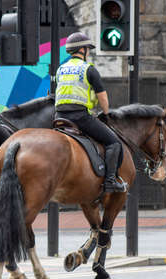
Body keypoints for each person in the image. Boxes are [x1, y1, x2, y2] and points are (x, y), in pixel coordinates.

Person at [55, 32, 126, 193]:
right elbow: (103, 98)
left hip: (59, 117)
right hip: (80, 117)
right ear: (82, 50)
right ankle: (110, 181)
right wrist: (106, 114)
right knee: (113, 142)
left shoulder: (61, 69)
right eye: (87, 48)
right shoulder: (88, 69)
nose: (88, 51)